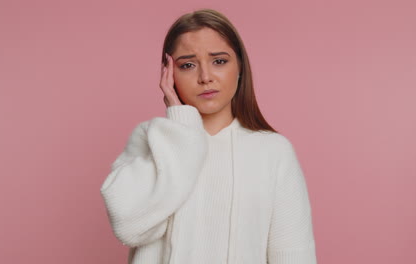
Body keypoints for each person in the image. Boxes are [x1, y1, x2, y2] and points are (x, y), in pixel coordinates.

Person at [100, 8, 317, 264]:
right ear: (169, 74)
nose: (205, 77)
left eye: (219, 61)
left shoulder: (274, 151)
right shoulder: (151, 141)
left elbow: (293, 255)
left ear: (240, 68)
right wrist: (180, 122)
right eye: (188, 65)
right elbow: (131, 227)